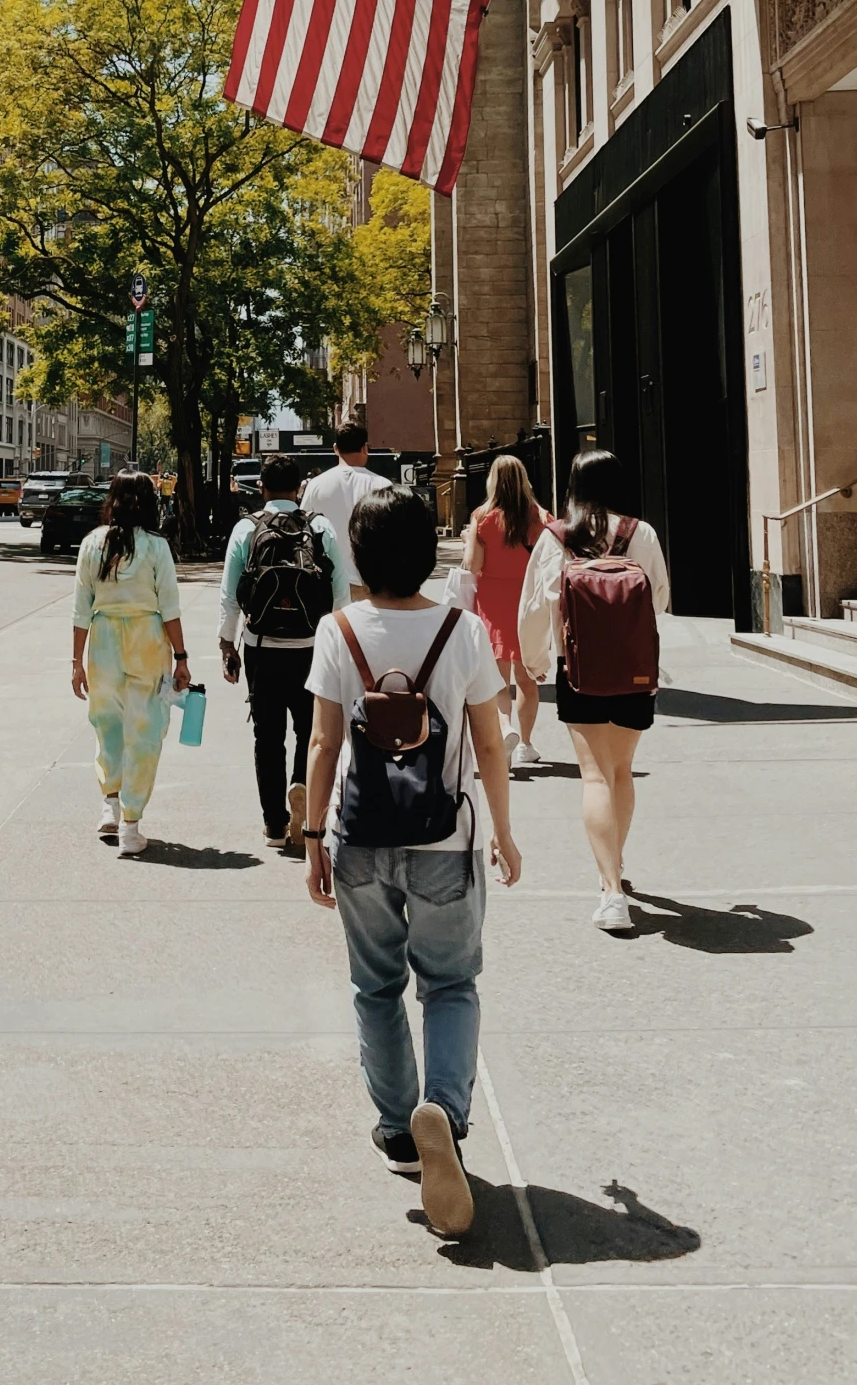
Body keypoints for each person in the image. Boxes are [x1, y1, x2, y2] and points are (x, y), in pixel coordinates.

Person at [304, 484, 520, 1238]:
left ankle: (399, 1129)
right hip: (445, 841)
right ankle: (447, 1118)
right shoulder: (461, 631)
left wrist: (310, 839)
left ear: (358, 555)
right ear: (428, 551)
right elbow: (491, 742)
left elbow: (324, 744)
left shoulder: (339, 630)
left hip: (360, 837)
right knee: (451, 984)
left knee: (375, 987)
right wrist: (504, 831)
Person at [517, 448, 670, 932]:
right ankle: (616, 865)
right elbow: (660, 600)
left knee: (594, 778)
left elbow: (535, 606)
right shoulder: (638, 532)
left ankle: (610, 891)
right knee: (621, 772)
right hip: (635, 671)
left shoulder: (557, 537)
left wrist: (535, 659)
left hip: (578, 669)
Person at [218, 453, 350, 847]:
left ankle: (274, 824)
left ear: (261, 487)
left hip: (262, 648)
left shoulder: (246, 529)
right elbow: (340, 593)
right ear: (299, 489)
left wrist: (228, 645)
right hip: (312, 647)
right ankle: (302, 792)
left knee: (267, 736)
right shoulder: (320, 527)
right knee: (311, 732)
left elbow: (229, 597)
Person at [72, 470, 189, 855]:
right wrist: (182, 658)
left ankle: (109, 805)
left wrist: (77, 661)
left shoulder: (92, 544)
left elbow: (80, 609)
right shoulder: (157, 547)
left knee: (106, 723)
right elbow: (169, 607)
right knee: (145, 729)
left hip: (103, 641)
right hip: (147, 642)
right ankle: (131, 825)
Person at [462, 455, 550, 767]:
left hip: (493, 600)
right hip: (528, 602)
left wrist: (467, 541)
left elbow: (473, 566)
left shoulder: (482, 517)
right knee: (527, 679)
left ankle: (504, 731)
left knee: (498, 680)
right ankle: (525, 743)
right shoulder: (541, 517)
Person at [300, 420, 389, 590]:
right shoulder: (382, 486)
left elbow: (304, 529)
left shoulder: (316, 485)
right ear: (365, 448)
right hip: (372, 583)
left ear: (335, 448)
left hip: (328, 581)